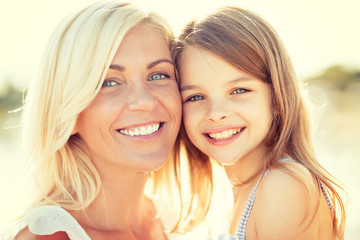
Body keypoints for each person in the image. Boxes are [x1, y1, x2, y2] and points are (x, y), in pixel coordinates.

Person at [10, 1, 211, 239]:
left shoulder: (174, 221)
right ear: (69, 114)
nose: (144, 101)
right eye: (109, 82)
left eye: (158, 75)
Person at [175, 6, 346, 240]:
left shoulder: (283, 187)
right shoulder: (234, 195)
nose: (215, 113)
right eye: (195, 97)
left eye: (239, 90)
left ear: (276, 97)